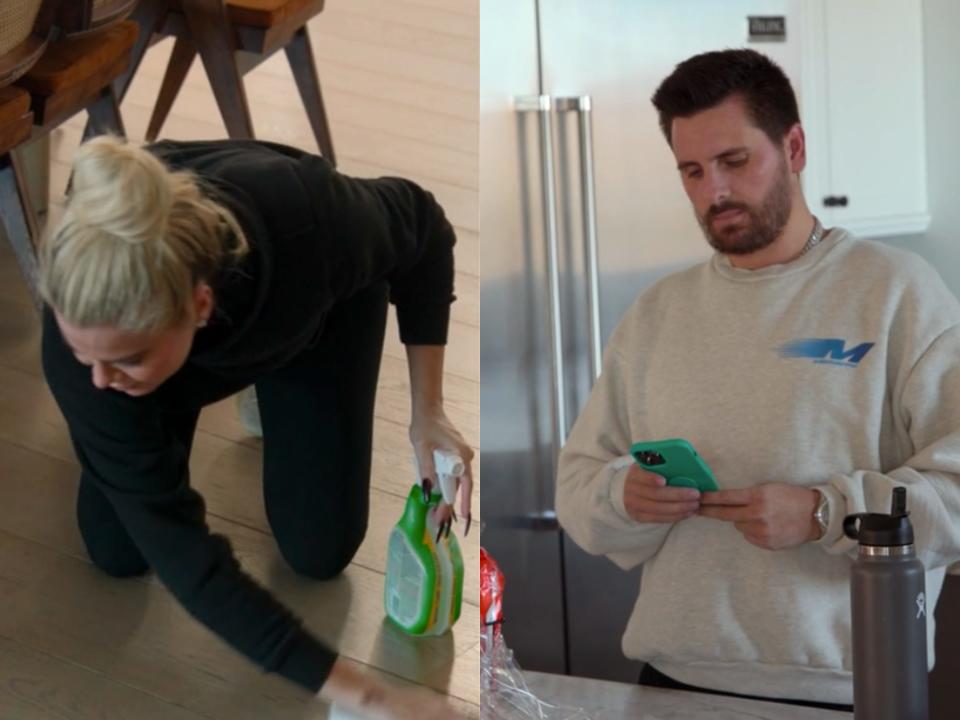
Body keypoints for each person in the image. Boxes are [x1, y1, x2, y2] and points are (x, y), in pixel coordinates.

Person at [555, 48, 960, 712]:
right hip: (670, 683)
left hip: (852, 689)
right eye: (691, 171)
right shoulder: (658, 312)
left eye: (734, 162)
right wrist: (625, 498)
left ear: (793, 147)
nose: (712, 192)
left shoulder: (898, 293)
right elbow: (576, 487)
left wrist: (828, 512)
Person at [39, 135, 474, 719]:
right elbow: (190, 561)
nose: (96, 382)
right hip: (183, 351)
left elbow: (423, 229)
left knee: (320, 552)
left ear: (198, 305)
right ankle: (217, 376)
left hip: (309, 314)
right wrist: (365, 694)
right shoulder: (87, 343)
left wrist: (428, 411)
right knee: (117, 550)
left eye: (125, 359)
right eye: (84, 354)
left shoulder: (313, 222)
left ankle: (262, 371)